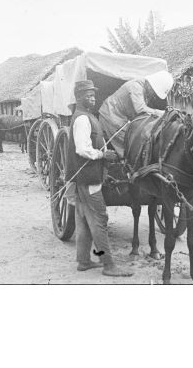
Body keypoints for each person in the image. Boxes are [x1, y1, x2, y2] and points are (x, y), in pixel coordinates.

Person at [66, 80, 133, 277]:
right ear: (78, 97)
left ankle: (84, 261)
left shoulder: (86, 117)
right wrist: (103, 155)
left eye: (94, 95)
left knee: (84, 220)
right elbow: (82, 149)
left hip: (85, 180)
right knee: (99, 220)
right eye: (88, 95)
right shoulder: (82, 119)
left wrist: (103, 151)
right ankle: (109, 264)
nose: (92, 98)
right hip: (88, 179)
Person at [98, 70, 174, 158]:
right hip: (111, 116)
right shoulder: (136, 86)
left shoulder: (145, 89)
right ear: (150, 85)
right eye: (154, 92)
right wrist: (160, 113)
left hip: (120, 118)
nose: (153, 95)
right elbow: (141, 109)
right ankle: (126, 162)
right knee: (130, 143)